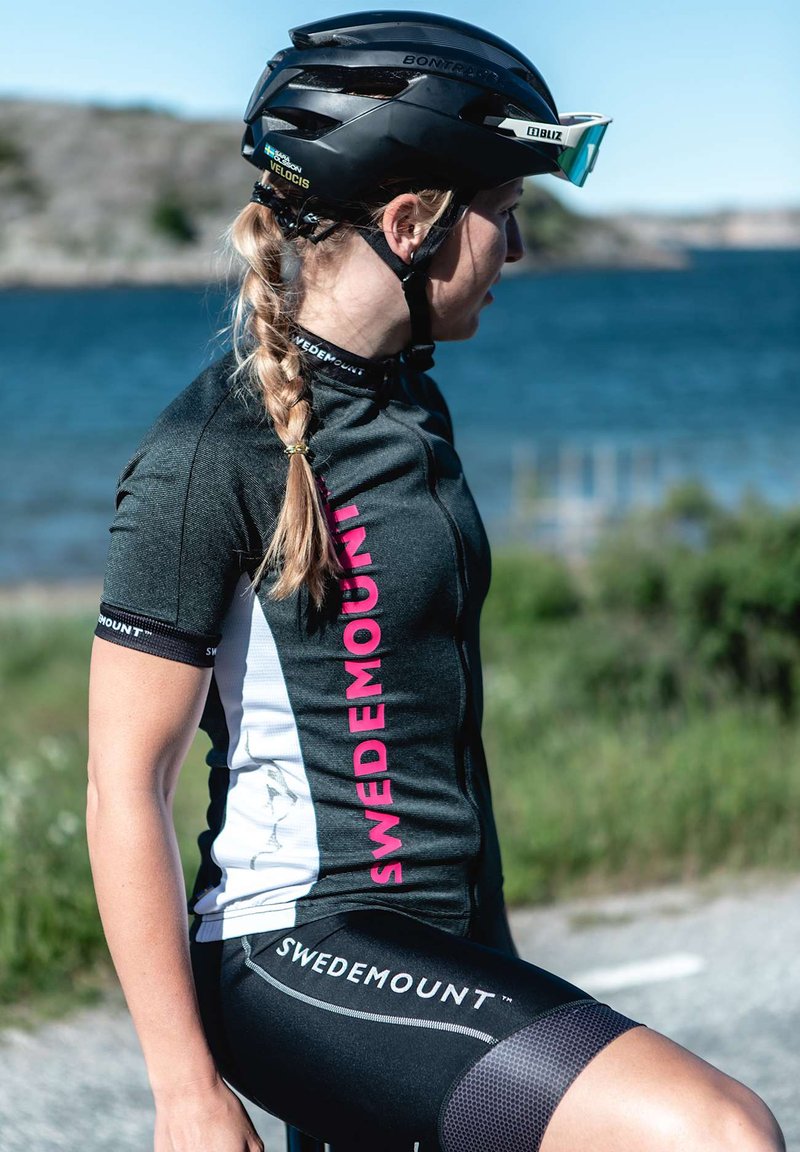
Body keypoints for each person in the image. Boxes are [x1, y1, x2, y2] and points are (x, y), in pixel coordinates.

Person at [86, 11, 784, 1152]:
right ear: (412, 222)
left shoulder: (407, 405)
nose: (515, 249)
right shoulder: (209, 453)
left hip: (443, 942)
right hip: (298, 948)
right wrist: (185, 1093)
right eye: (502, 217)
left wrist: (491, 950)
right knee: (710, 1133)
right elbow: (125, 782)